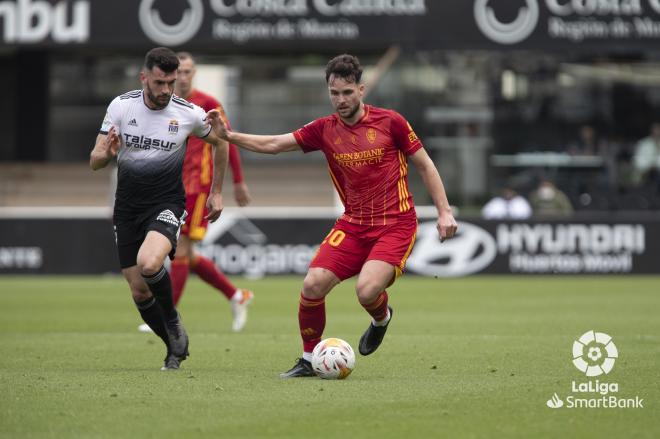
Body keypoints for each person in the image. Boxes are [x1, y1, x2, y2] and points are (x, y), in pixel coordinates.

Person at [207, 54, 458, 378]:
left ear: (361, 90)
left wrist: (444, 212)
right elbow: (273, 144)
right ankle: (310, 359)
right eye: (334, 93)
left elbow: (425, 164)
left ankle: (381, 318)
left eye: (347, 93)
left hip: (395, 224)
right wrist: (229, 136)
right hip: (353, 224)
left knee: (366, 291)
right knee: (312, 284)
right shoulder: (324, 130)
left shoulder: (391, 122)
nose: (340, 100)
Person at [90, 47, 229, 370]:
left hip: (166, 203)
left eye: (171, 81)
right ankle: (172, 347)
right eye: (160, 82)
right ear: (144, 78)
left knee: (149, 263)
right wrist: (107, 154)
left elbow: (220, 142)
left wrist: (217, 192)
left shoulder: (188, 113)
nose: (167, 89)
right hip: (126, 208)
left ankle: (172, 318)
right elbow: (94, 161)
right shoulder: (121, 107)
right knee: (139, 291)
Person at [137, 52, 253, 334]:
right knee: (186, 256)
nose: (185, 77)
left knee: (182, 253)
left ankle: (166, 316)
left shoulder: (208, 104)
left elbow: (226, 140)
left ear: (193, 73)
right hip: (170, 187)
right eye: (182, 72)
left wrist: (237, 182)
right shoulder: (165, 104)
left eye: (188, 72)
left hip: (198, 189)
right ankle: (237, 295)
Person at [632, 122, 660, 188]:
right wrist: (649, 166)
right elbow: (637, 159)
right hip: (645, 170)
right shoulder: (643, 143)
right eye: (655, 130)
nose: (657, 132)